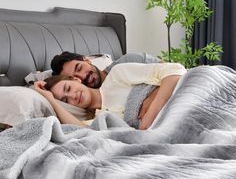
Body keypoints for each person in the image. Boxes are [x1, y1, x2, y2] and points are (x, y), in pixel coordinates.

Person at [35, 62, 186, 130]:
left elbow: (174, 70)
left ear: (75, 79)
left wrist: (152, 110)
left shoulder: (117, 75)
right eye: (66, 101)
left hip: (185, 97)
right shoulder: (98, 120)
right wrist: (49, 99)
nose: (73, 96)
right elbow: (82, 131)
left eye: (68, 88)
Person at [51, 51, 162, 120]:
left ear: (87, 60)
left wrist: (153, 98)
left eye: (79, 68)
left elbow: (173, 73)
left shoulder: (124, 65)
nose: (82, 76)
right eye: (75, 77)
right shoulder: (95, 110)